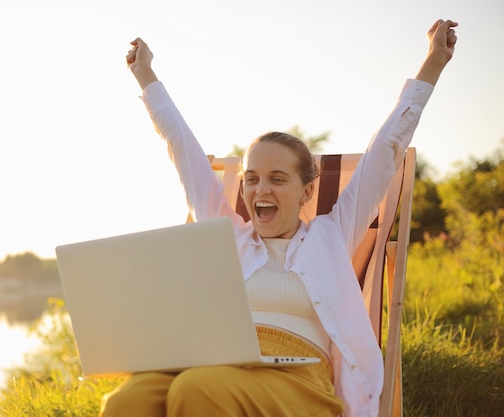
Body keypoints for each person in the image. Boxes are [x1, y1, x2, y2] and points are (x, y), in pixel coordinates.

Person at [100, 19, 457, 417]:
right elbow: (181, 149)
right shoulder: (227, 236)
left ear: (306, 191)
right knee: (126, 401)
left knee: (198, 390)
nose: (259, 190)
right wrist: (145, 74)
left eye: (277, 179)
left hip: (299, 377)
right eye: (251, 179)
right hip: (218, 362)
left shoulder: (330, 237)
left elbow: (387, 148)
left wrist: (433, 63)